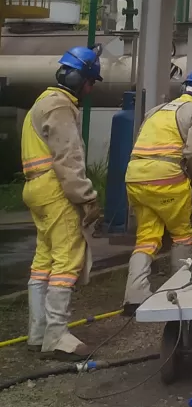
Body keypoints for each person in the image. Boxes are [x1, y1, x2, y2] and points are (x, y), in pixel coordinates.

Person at [21, 46, 104, 356]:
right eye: (90, 82)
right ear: (80, 80)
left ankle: (38, 332)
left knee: (44, 260)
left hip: (36, 188)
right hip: (56, 189)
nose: (90, 89)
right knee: (68, 259)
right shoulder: (60, 106)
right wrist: (87, 197)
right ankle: (56, 336)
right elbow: (68, 158)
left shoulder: (41, 102)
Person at [123, 68, 192, 312]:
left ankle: (134, 296)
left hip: (135, 177)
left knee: (147, 237)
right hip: (166, 179)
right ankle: (181, 290)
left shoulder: (156, 110)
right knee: (182, 234)